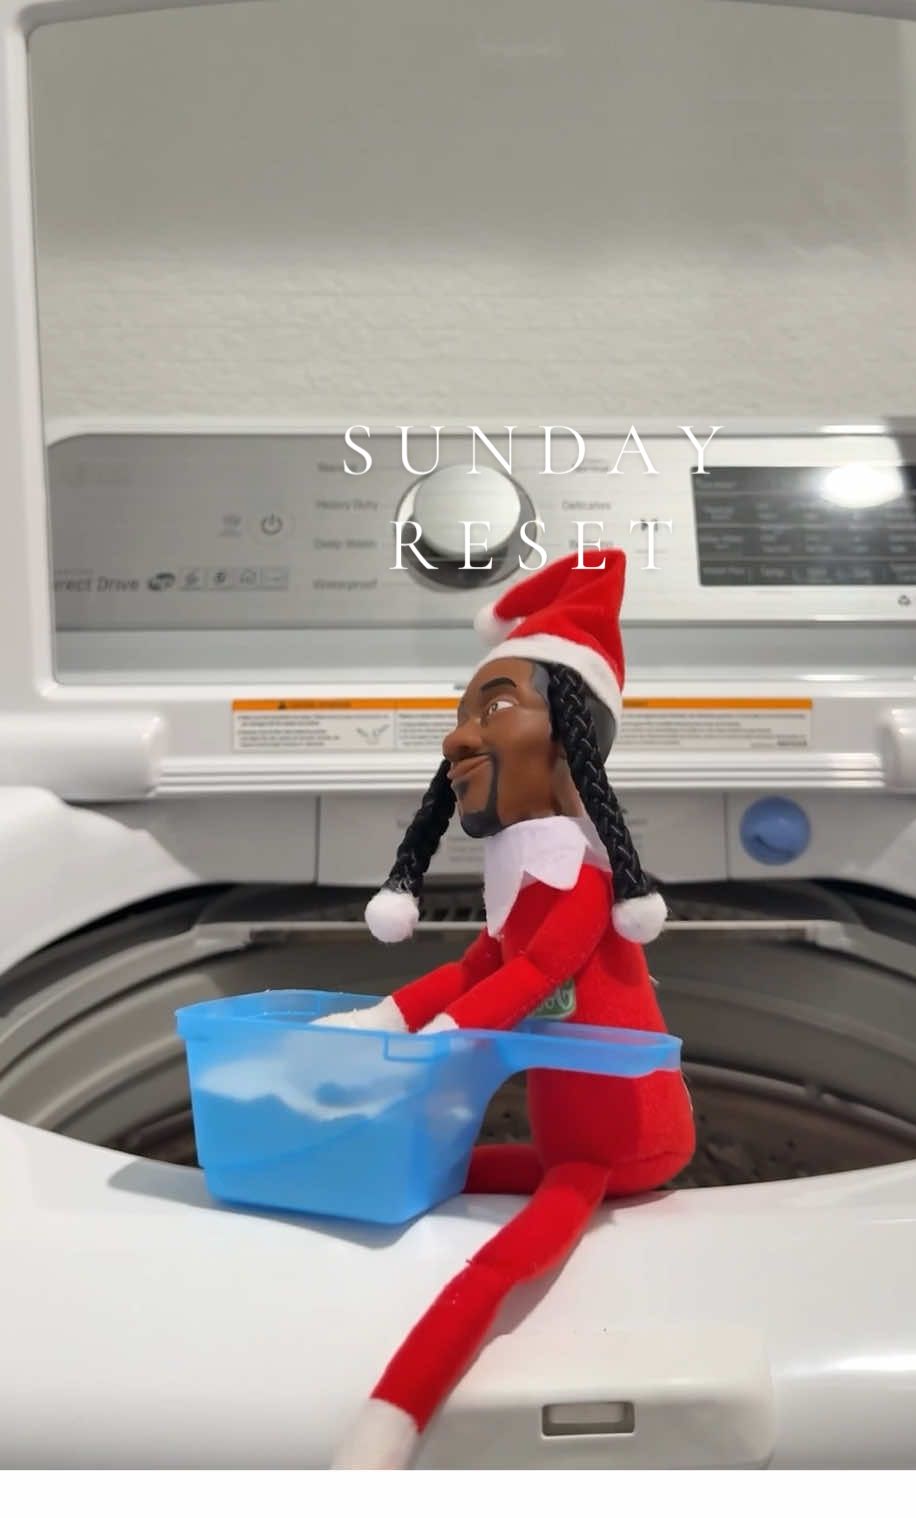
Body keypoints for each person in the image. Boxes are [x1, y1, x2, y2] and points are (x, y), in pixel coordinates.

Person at [316, 547, 695, 1468]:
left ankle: (382, 1435)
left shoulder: (579, 880)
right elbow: (480, 964)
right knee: (416, 1166)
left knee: (495, 1268)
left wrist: (439, 1044)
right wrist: (376, 1025)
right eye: (461, 715)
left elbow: (532, 976)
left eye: (492, 709)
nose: (457, 740)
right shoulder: (521, 875)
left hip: (616, 1150)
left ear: (566, 741)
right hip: (564, 1140)